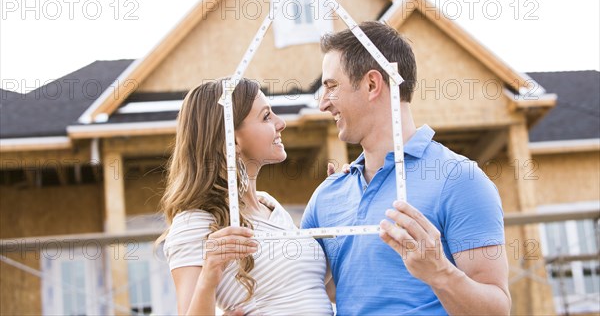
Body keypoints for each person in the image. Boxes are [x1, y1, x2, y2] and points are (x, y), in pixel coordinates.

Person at [301, 21, 511, 315]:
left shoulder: (459, 179)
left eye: (332, 87)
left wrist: (440, 272)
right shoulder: (327, 196)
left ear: (372, 84)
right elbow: (305, 291)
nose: (323, 103)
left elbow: (496, 310)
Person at [160, 78, 333, 315]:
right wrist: (209, 273)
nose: (281, 123)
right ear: (232, 140)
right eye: (266, 117)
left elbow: (308, 288)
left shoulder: (269, 205)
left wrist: (340, 198)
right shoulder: (194, 223)